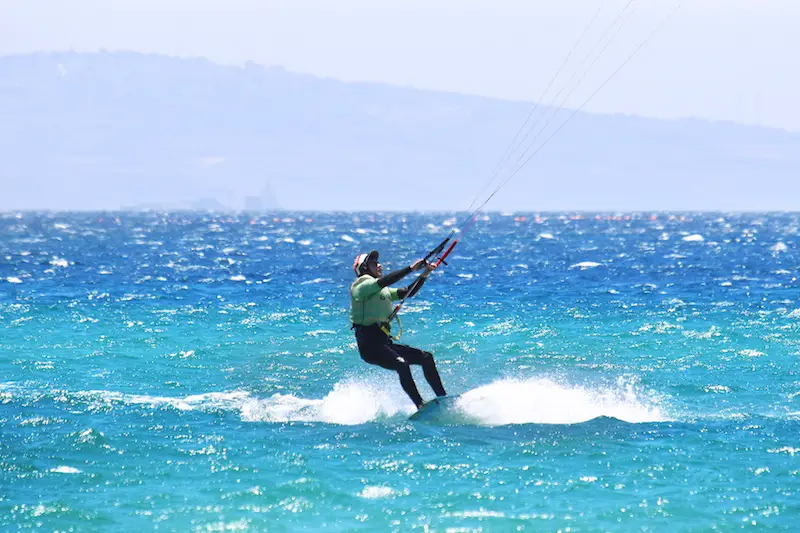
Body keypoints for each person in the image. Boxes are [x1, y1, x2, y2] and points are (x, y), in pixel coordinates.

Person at [350, 250, 447, 409]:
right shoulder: (361, 285)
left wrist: (425, 273)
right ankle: (420, 405)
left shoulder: (381, 290)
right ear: (364, 268)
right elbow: (385, 281)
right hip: (369, 345)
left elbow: (408, 291)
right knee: (401, 364)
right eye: (375, 263)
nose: (380, 265)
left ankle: (443, 398)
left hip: (383, 343)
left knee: (426, 357)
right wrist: (410, 268)